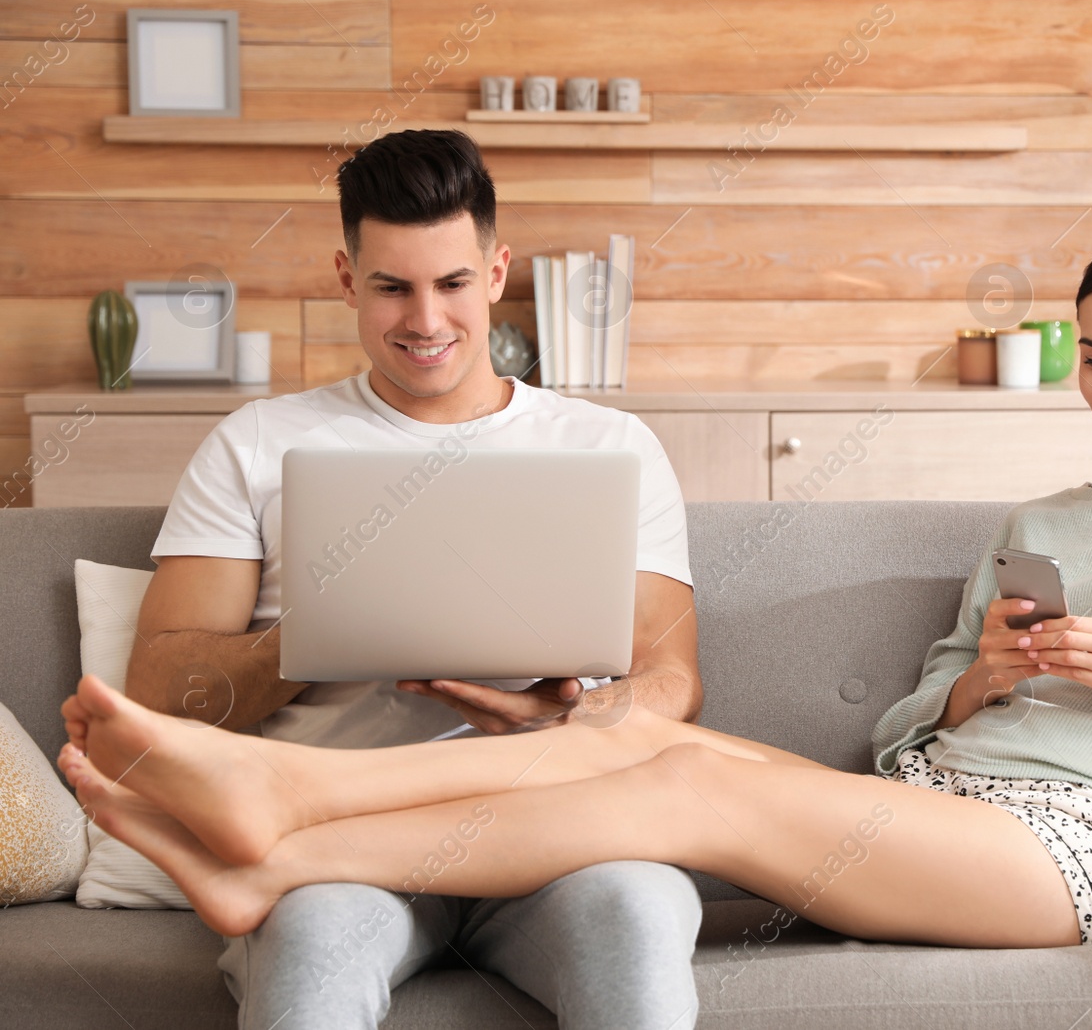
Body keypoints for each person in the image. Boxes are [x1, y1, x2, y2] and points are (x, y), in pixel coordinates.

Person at [68, 222, 1092, 964]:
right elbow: (914, 723)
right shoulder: (1043, 516)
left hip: (1079, 851)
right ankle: (275, 801)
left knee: (690, 785)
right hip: (945, 802)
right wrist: (972, 685)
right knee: (631, 728)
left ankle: (283, 839)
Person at [120, 128, 706, 1030]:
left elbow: (672, 684)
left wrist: (568, 712)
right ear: (349, 279)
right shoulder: (257, 444)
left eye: (452, 283)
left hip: (560, 834)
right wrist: (319, 632)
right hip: (344, 846)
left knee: (637, 917)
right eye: (393, 286)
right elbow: (158, 691)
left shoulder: (610, 447)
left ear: (498, 270)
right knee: (313, 952)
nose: (425, 321)